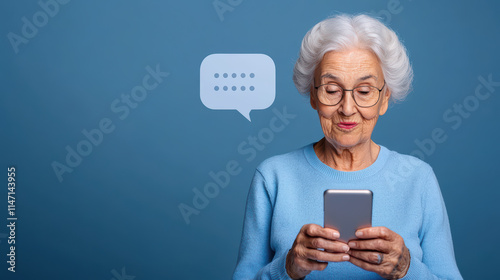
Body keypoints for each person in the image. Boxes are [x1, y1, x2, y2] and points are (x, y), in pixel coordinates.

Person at [232, 14, 463, 279]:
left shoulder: (418, 179)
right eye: (331, 90)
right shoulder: (274, 177)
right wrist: (287, 268)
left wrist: (407, 269)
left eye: (364, 92)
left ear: (384, 98)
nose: (347, 108)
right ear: (313, 97)